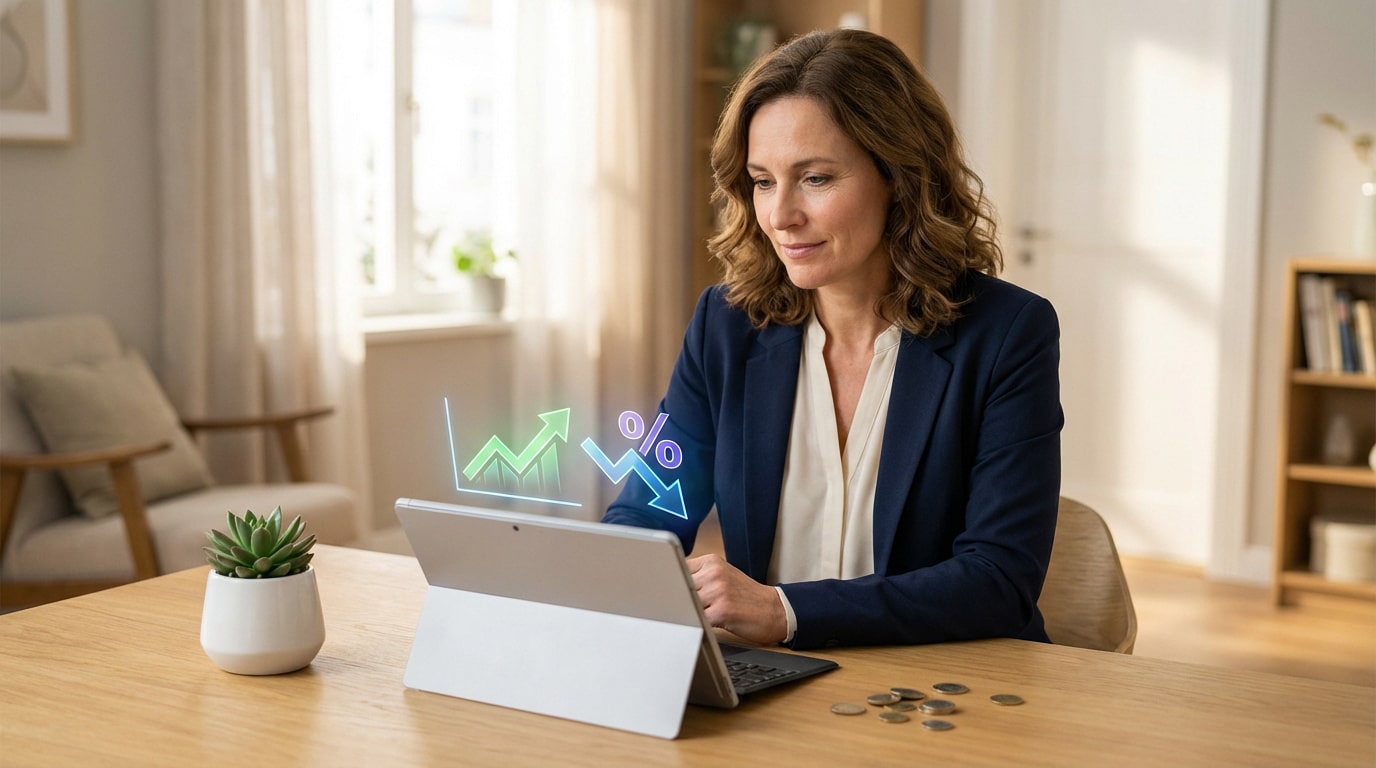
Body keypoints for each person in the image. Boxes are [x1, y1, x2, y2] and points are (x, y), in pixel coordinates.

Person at [602, 28, 1062, 650]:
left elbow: (998, 581)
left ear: (900, 178)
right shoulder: (726, 326)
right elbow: (648, 510)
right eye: (763, 180)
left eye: (815, 178)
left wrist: (787, 611)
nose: (781, 215)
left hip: (947, 688)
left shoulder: (1008, 334)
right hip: (774, 682)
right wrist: (627, 575)